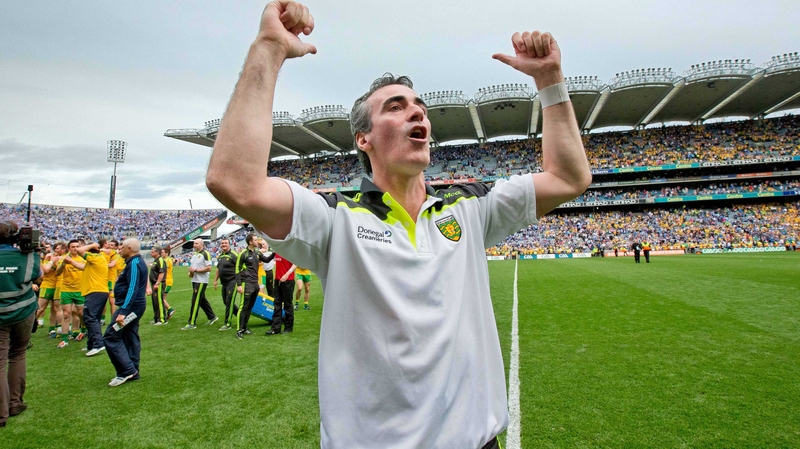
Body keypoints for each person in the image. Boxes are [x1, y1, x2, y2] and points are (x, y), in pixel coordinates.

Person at [205, 2, 590, 447]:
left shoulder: (470, 207)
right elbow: (234, 182)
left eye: (420, 107)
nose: (418, 113)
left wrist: (550, 82)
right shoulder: (335, 218)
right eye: (396, 106)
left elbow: (569, 178)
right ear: (363, 139)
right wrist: (269, 47)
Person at [0, 220, 42, 427]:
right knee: (17, 355)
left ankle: (1, 414)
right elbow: (38, 278)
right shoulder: (28, 256)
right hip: (23, 312)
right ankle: (15, 403)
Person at [102, 238, 147, 387]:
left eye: (122, 247)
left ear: (129, 249)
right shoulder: (134, 262)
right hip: (134, 307)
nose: (119, 250)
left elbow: (132, 288)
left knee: (111, 335)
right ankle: (133, 370)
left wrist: (123, 312)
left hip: (131, 308)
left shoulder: (134, 264)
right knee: (130, 335)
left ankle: (126, 371)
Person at [233, 233, 274, 339]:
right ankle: (239, 330)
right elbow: (237, 269)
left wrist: (275, 252)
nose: (257, 241)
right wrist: (239, 285)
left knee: (250, 307)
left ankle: (245, 327)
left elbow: (267, 260)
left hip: (255, 283)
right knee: (243, 306)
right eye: (255, 240)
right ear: (250, 242)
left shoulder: (257, 252)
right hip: (246, 283)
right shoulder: (243, 254)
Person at [75, 242, 109, 357]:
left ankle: (98, 344)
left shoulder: (95, 257)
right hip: (98, 291)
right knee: (94, 318)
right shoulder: (95, 260)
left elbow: (79, 251)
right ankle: (91, 344)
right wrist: (70, 262)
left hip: (95, 291)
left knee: (89, 317)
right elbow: (82, 267)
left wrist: (92, 245)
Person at [55, 240, 86, 347]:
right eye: (73, 247)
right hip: (66, 289)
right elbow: (57, 273)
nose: (75, 248)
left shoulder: (83, 258)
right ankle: (65, 339)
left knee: (81, 313)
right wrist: (64, 263)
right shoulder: (64, 258)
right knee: (66, 314)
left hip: (80, 290)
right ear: (69, 248)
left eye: (77, 246)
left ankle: (83, 331)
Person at [183, 239, 217, 330]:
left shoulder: (205, 253)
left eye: (196, 243)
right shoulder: (194, 255)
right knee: (201, 300)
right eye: (194, 243)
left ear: (201, 244)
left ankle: (192, 322)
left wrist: (195, 270)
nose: (194, 245)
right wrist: (191, 272)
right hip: (195, 280)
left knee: (195, 301)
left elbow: (209, 268)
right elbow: (193, 268)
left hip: (201, 281)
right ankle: (212, 316)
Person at [212, 238, 238, 331]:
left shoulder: (234, 255)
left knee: (229, 302)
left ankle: (227, 323)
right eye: (222, 243)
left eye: (225, 243)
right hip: (224, 283)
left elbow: (240, 268)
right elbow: (218, 269)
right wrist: (215, 280)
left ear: (229, 244)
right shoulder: (220, 256)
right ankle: (241, 315)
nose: (223, 244)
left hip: (233, 281)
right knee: (226, 301)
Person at [148, 247, 167, 325]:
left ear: (157, 252)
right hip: (154, 283)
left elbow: (161, 272)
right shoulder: (155, 261)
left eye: (152, 252)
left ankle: (162, 319)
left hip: (158, 283)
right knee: (155, 302)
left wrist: (158, 283)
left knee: (159, 301)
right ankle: (156, 318)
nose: (151, 253)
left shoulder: (160, 260)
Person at [160, 248, 176, 320]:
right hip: (168, 280)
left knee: (161, 298)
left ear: (166, 253)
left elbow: (163, 270)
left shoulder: (167, 260)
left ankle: (170, 309)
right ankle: (165, 313)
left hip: (167, 281)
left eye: (162, 252)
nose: (161, 253)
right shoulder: (166, 260)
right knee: (163, 298)